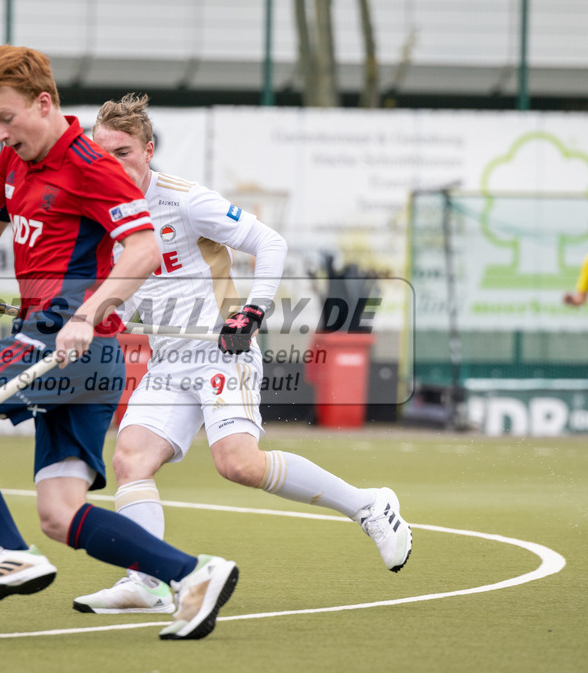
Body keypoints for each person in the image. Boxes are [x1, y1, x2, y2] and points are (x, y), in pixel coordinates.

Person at [0, 47, 238, 640]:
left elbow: (142, 249)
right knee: (60, 516)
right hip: (71, 352)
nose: (0, 132)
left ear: (44, 102)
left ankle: (5, 551)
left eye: (7, 118)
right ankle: (193, 573)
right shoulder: (13, 163)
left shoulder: (92, 165)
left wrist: (88, 313)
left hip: (69, 341)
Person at [72, 93, 412, 615]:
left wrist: (251, 311)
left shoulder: (185, 199)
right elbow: (126, 295)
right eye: (101, 153)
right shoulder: (107, 216)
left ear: (147, 150)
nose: (111, 163)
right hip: (168, 360)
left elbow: (269, 242)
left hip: (220, 352)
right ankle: (148, 582)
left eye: (122, 152)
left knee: (239, 465)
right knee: (130, 459)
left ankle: (369, 505)